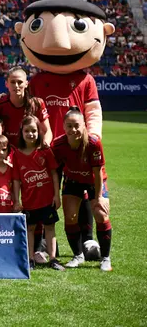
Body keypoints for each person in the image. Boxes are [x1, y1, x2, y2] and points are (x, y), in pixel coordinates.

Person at [16, 0, 115, 258]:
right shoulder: (36, 81)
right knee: (42, 191)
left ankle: (88, 239)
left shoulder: (85, 79)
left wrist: (92, 137)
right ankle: (39, 243)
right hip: (47, 147)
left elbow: (93, 111)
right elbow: (30, 113)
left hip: (75, 146)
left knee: (82, 191)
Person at [53, 108, 112, 271]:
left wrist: (99, 197)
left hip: (94, 182)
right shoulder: (58, 145)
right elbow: (55, 171)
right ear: (64, 127)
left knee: (101, 214)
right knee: (70, 217)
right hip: (72, 181)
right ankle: (78, 255)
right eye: (69, 126)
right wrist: (56, 195)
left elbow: (98, 172)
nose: (73, 130)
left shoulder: (93, 143)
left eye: (76, 125)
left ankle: (106, 258)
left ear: (84, 125)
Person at [12, 116, 64, 271]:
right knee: (30, 229)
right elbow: (16, 180)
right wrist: (16, 200)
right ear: (21, 133)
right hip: (29, 201)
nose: (30, 134)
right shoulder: (17, 155)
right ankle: (30, 259)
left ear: (39, 132)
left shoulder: (45, 151)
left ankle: (53, 258)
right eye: (27, 131)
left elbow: (54, 174)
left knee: (50, 227)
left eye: (34, 130)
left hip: (47, 199)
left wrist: (57, 194)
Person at [0, 67, 51, 147]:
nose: (16, 86)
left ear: (26, 84)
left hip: (31, 151)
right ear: (6, 84)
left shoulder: (37, 104)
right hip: (7, 153)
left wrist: (46, 143)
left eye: (20, 82)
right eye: (13, 82)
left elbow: (46, 130)